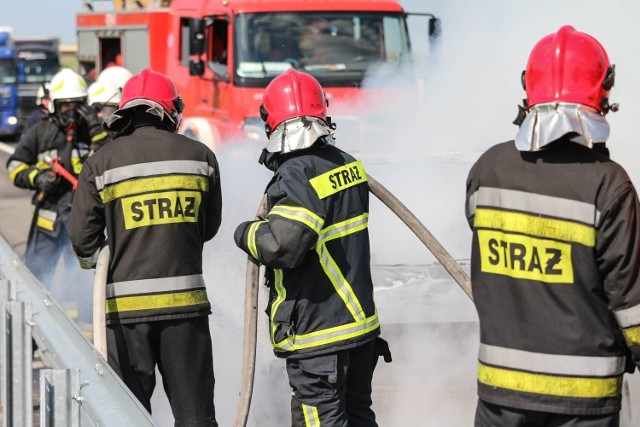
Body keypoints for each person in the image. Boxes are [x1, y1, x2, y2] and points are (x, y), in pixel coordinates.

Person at [466, 25, 640, 426]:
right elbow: (630, 304)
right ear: (603, 94)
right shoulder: (609, 183)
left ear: (529, 91)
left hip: (500, 395)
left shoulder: (487, 169)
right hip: (584, 401)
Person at [234, 68, 391, 427]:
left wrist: (245, 233)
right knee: (358, 415)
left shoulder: (296, 173)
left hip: (319, 336)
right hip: (359, 331)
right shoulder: (346, 164)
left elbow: (285, 246)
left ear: (270, 122)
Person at [68, 68, 222, 427]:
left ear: (124, 112)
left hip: (124, 318)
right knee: (196, 417)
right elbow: (208, 229)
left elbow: (82, 240)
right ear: (170, 112)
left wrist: (111, 254)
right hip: (186, 314)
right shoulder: (201, 157)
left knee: (127, 416)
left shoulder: (100, 162)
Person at [6, 67, 107, 291]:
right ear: (54, 105)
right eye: (66, 106)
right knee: (36, 279)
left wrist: (96, 130)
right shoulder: (40, 132)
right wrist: (38, 178)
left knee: (86, 283)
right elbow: (14, 166)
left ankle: (85, 323)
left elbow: (106, 163)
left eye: (77, 105)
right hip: (47, 223)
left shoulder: (93, 133)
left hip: (83, 222)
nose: (71, 112)